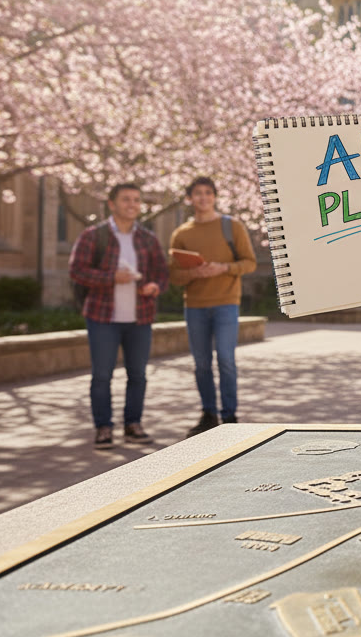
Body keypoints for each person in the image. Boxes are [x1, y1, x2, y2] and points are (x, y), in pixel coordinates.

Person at [68, 183, 169, 449]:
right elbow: (77, 270)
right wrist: (110, 278)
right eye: (126, 199)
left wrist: (155, 286)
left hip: (140, 318)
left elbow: (162, 273)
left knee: (138, 375)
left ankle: (133, 425)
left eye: (137, 200)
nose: (132, 205)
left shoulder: (148, 238)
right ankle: (103, 427)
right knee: (102, 376)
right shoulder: (94, 236)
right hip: (103, 318)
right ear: (111, 204)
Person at [168, 177, 257, 437]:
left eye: (208, 193)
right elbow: (174, 276)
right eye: (197, 193)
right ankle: (209, 414)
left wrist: (224, 268)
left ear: (215, 196)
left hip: (226, 304)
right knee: (201, 363)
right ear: (190, 198)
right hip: (195, 306)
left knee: (226, 360)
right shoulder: (181, 234)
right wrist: (194, 273)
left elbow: (249, 263)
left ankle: (230, 415)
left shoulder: (233, 227)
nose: (203, 198)